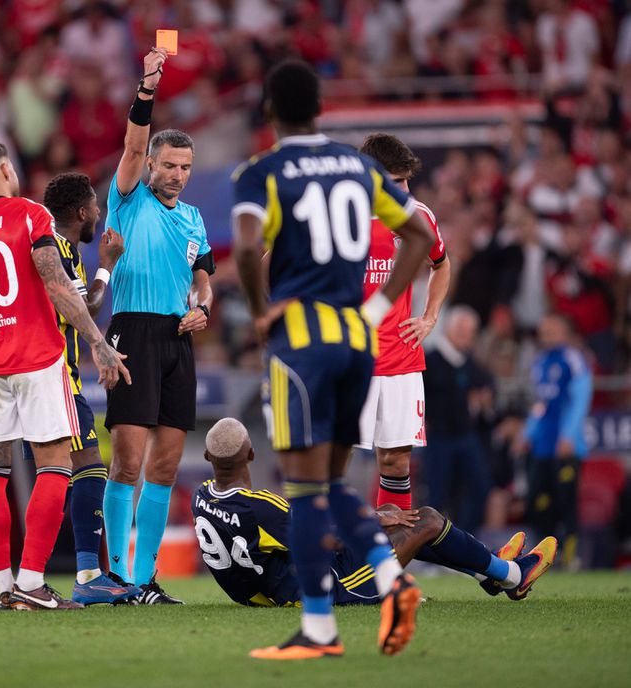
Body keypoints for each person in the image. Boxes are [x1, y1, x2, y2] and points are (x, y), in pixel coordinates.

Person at [232, 59, 434, 660]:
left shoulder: (262, 171)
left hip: (303, 341)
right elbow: (419, 237)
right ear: (321, 107)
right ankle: (390, 582)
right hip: (358, 340)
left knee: (303, 484)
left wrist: (262, 311)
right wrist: (376, 310)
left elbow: (246, 246)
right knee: (333, 480)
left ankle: (321, 627)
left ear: (270, 112)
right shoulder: (360, 167)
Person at [0, 140, 130, 612]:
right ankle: (32, 581)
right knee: (56, 465)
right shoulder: (29, 214)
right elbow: (56, 284)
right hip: (38, 357)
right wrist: (99, 343)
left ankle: (4, 587)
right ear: (6, 168)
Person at [193, 418, 558, 607]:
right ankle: (512, 574)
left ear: (208, 458)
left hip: (272, 586)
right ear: (252, 454)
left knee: (404, 523)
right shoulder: (260, 507)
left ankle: (489, 571)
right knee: (425, 519)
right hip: (324, 587)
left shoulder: (202, 496)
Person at [102, 48, 215, 605]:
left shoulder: (194, 218)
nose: (176, 174)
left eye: (185, 167)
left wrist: (205, 305)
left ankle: (146, 580)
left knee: (166, 464)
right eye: (168, 164)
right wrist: (147, 89)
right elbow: (130, 142)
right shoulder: (127, 200)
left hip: (177, 338)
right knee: (126, 461)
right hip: (132, 332)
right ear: (151, 165)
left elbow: (204, 277)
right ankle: (118, 578)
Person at [29, 171, 140, 605]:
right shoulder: (55, 249)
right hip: (55, 373)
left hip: (49, 373)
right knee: (88, 464)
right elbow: (87, 306)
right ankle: (88, 573)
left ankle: (34, 575)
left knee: (56, 472)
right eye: (95, 206)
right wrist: (108, 266)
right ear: (81, 213)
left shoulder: (63, 251)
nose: (99, 212)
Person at [357, 134, 450, 510]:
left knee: (396, 462)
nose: (405, 189)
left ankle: (391, 563)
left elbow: (441, 265)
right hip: (348, 359)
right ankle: (329, 562)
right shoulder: (336, 214)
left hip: (399, 356)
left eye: (407, 180)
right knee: (333, 465)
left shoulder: (417, 215)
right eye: (396, 182)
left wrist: (429, 317)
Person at [518, 313, 592, 565]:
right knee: (536, 500)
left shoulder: (572, 359)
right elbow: (540, 405)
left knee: (566, 502)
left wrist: (568, 436)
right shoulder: (539, 362)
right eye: (544, 330)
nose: (547, 334)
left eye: (552, 329)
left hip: (566, 446)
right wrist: (528, 433)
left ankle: (572, 557)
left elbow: (580, 399)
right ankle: (547, 554)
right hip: (542, 447)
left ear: (564, 332)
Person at [422, 305, 495, 534]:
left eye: (471, 331)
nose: (467, 336)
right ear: (449, 330)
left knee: (480, 486)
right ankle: (430, 550)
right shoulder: (430, 360)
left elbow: (487, 383)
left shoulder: (469, 361)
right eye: (462, 330)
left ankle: (463, 541)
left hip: (465, 435)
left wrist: (484, 397)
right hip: (439, 438)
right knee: (436, 495)